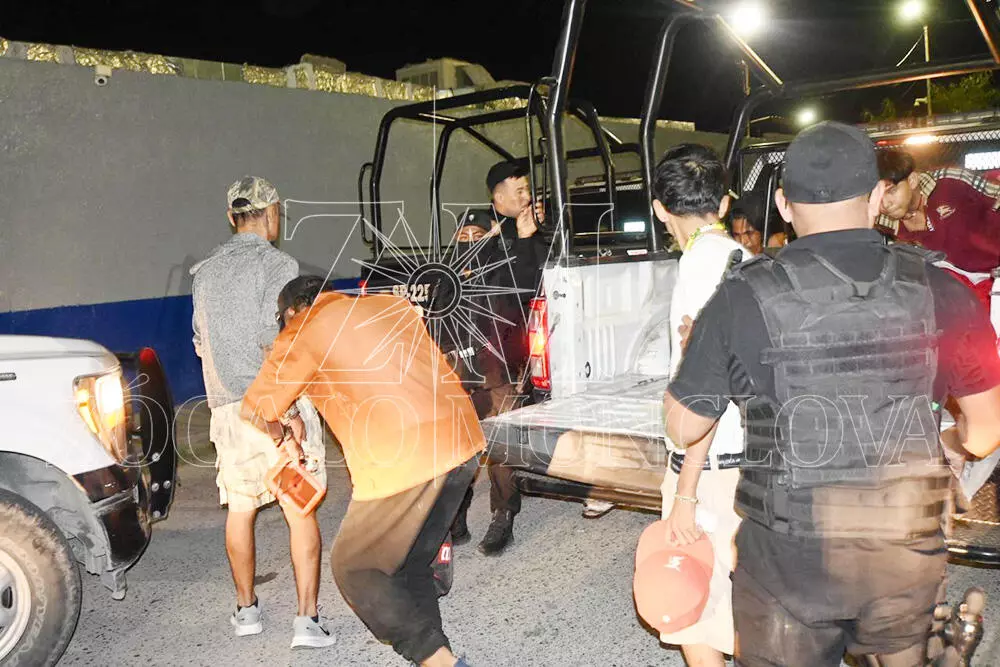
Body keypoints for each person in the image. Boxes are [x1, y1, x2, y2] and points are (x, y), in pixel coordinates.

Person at [663, 122, 1000, 666]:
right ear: (877, 198)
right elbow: (986, 434)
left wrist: (695, 354)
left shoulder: (740, 295)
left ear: (783, 204)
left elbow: (683, 428)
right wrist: (947, 444)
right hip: (902, 551)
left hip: (787, 562)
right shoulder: (943, 289)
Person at [242, 275, 484, 667]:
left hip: (404, 457)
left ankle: (443, 663)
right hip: (463, 442)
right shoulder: (388, 305)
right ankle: (435, 657)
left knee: (355, 567)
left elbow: (257, 407)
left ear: (290, 313)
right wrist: (293, 414)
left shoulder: (304, 327)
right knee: (408, 562)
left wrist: (283, 437)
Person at [190, 176, 335, 647]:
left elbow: (201, 342)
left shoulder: (204, 272)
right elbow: (272, 340)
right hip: (273, 402)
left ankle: (246, 610)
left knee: (240, 509)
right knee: (299, 508)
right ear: (272, 214)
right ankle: (306, 621)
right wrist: (287, 414)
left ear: (231, 218)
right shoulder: (277, 264)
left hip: (227, 410)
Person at [651, 144, 751, 666]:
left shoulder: (698, 267)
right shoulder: (744, 259)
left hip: (710, 467)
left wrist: (686, 490)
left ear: (659, 209)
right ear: (725, 202)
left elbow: (706, 390)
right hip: (753, 459)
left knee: (690, 606)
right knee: (746, 604)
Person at [447, 161, 547, 557]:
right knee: (460, 448)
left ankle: (503, 516)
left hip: (500, 371)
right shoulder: (448, 274)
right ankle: (456, 513)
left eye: (478, 234)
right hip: (461, 375)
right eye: (464, 235)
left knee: (501, 447)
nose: (471, 240)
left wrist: (524, 238)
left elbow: (526, 283)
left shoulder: (503, 260)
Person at [877, 149, 1000, 272]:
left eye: (891, 191)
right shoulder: (878, 222)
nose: (885, 204)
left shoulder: (951, 181)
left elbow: (996, 192)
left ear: (912, 181)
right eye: (877, 196)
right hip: (949, 282)